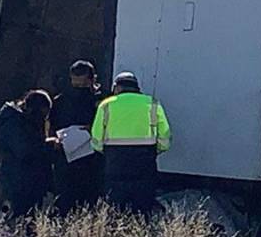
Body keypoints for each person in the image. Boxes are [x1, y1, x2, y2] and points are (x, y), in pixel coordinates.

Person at [90, 72, 171, 216]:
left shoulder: (106, 105)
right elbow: (164, 135)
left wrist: (106, 152)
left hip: (115, 164)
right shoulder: (152, 104)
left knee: (115, 208)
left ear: (117, 88)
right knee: (142, 207)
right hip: (144, 163)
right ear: (137, 88)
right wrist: (156, 150)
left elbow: (96, 139)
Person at [50, 60, 103, 213]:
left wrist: (92, 128)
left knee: (91, 202)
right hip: (66, 159)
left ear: (92, 80)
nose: (79, 89)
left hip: (92, 160)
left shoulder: (101, 101)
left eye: (83, 85)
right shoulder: (60, 101)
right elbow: (52, 127)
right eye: (76, 85)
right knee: (65, 201)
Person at [0, 89, 55, 218]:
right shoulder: (13, 123)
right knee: (17, 219)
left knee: (27, 220)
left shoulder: (22, 120)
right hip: (18, 181)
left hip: (28, 180)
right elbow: (24, 151)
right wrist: (49, 145)